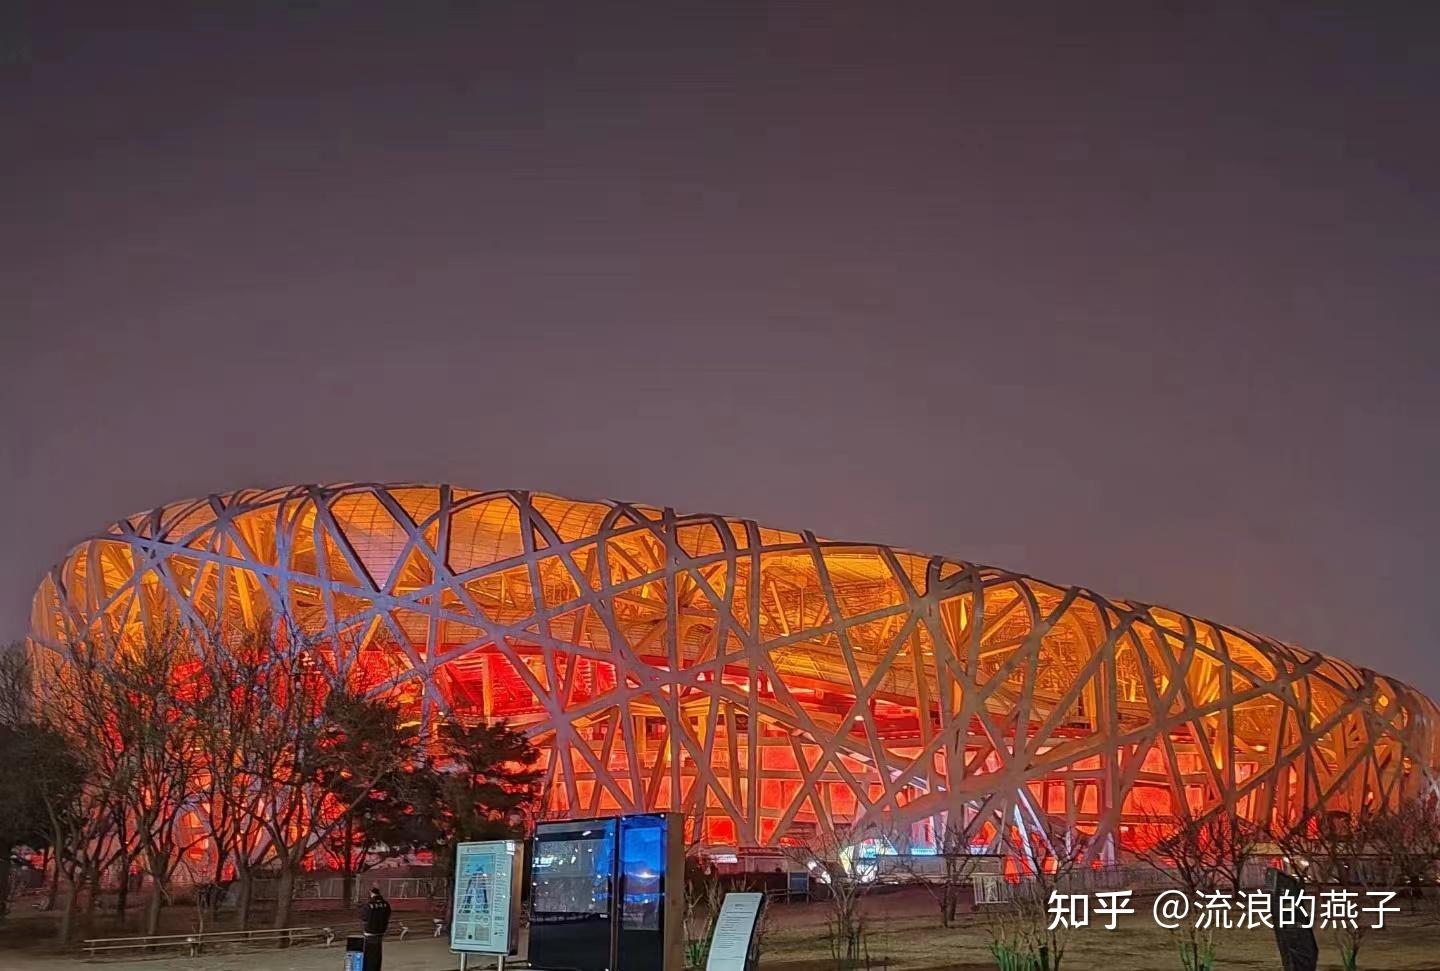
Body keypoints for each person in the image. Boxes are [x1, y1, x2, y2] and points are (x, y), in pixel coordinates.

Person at [359, 886, 392, 971]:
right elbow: (388, 915)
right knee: (377, 953)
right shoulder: (386, 904)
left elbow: (363, 917)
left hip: (370, 932)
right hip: (381, 932)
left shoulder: (369, 905)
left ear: (371, 893)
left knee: (369, 954)